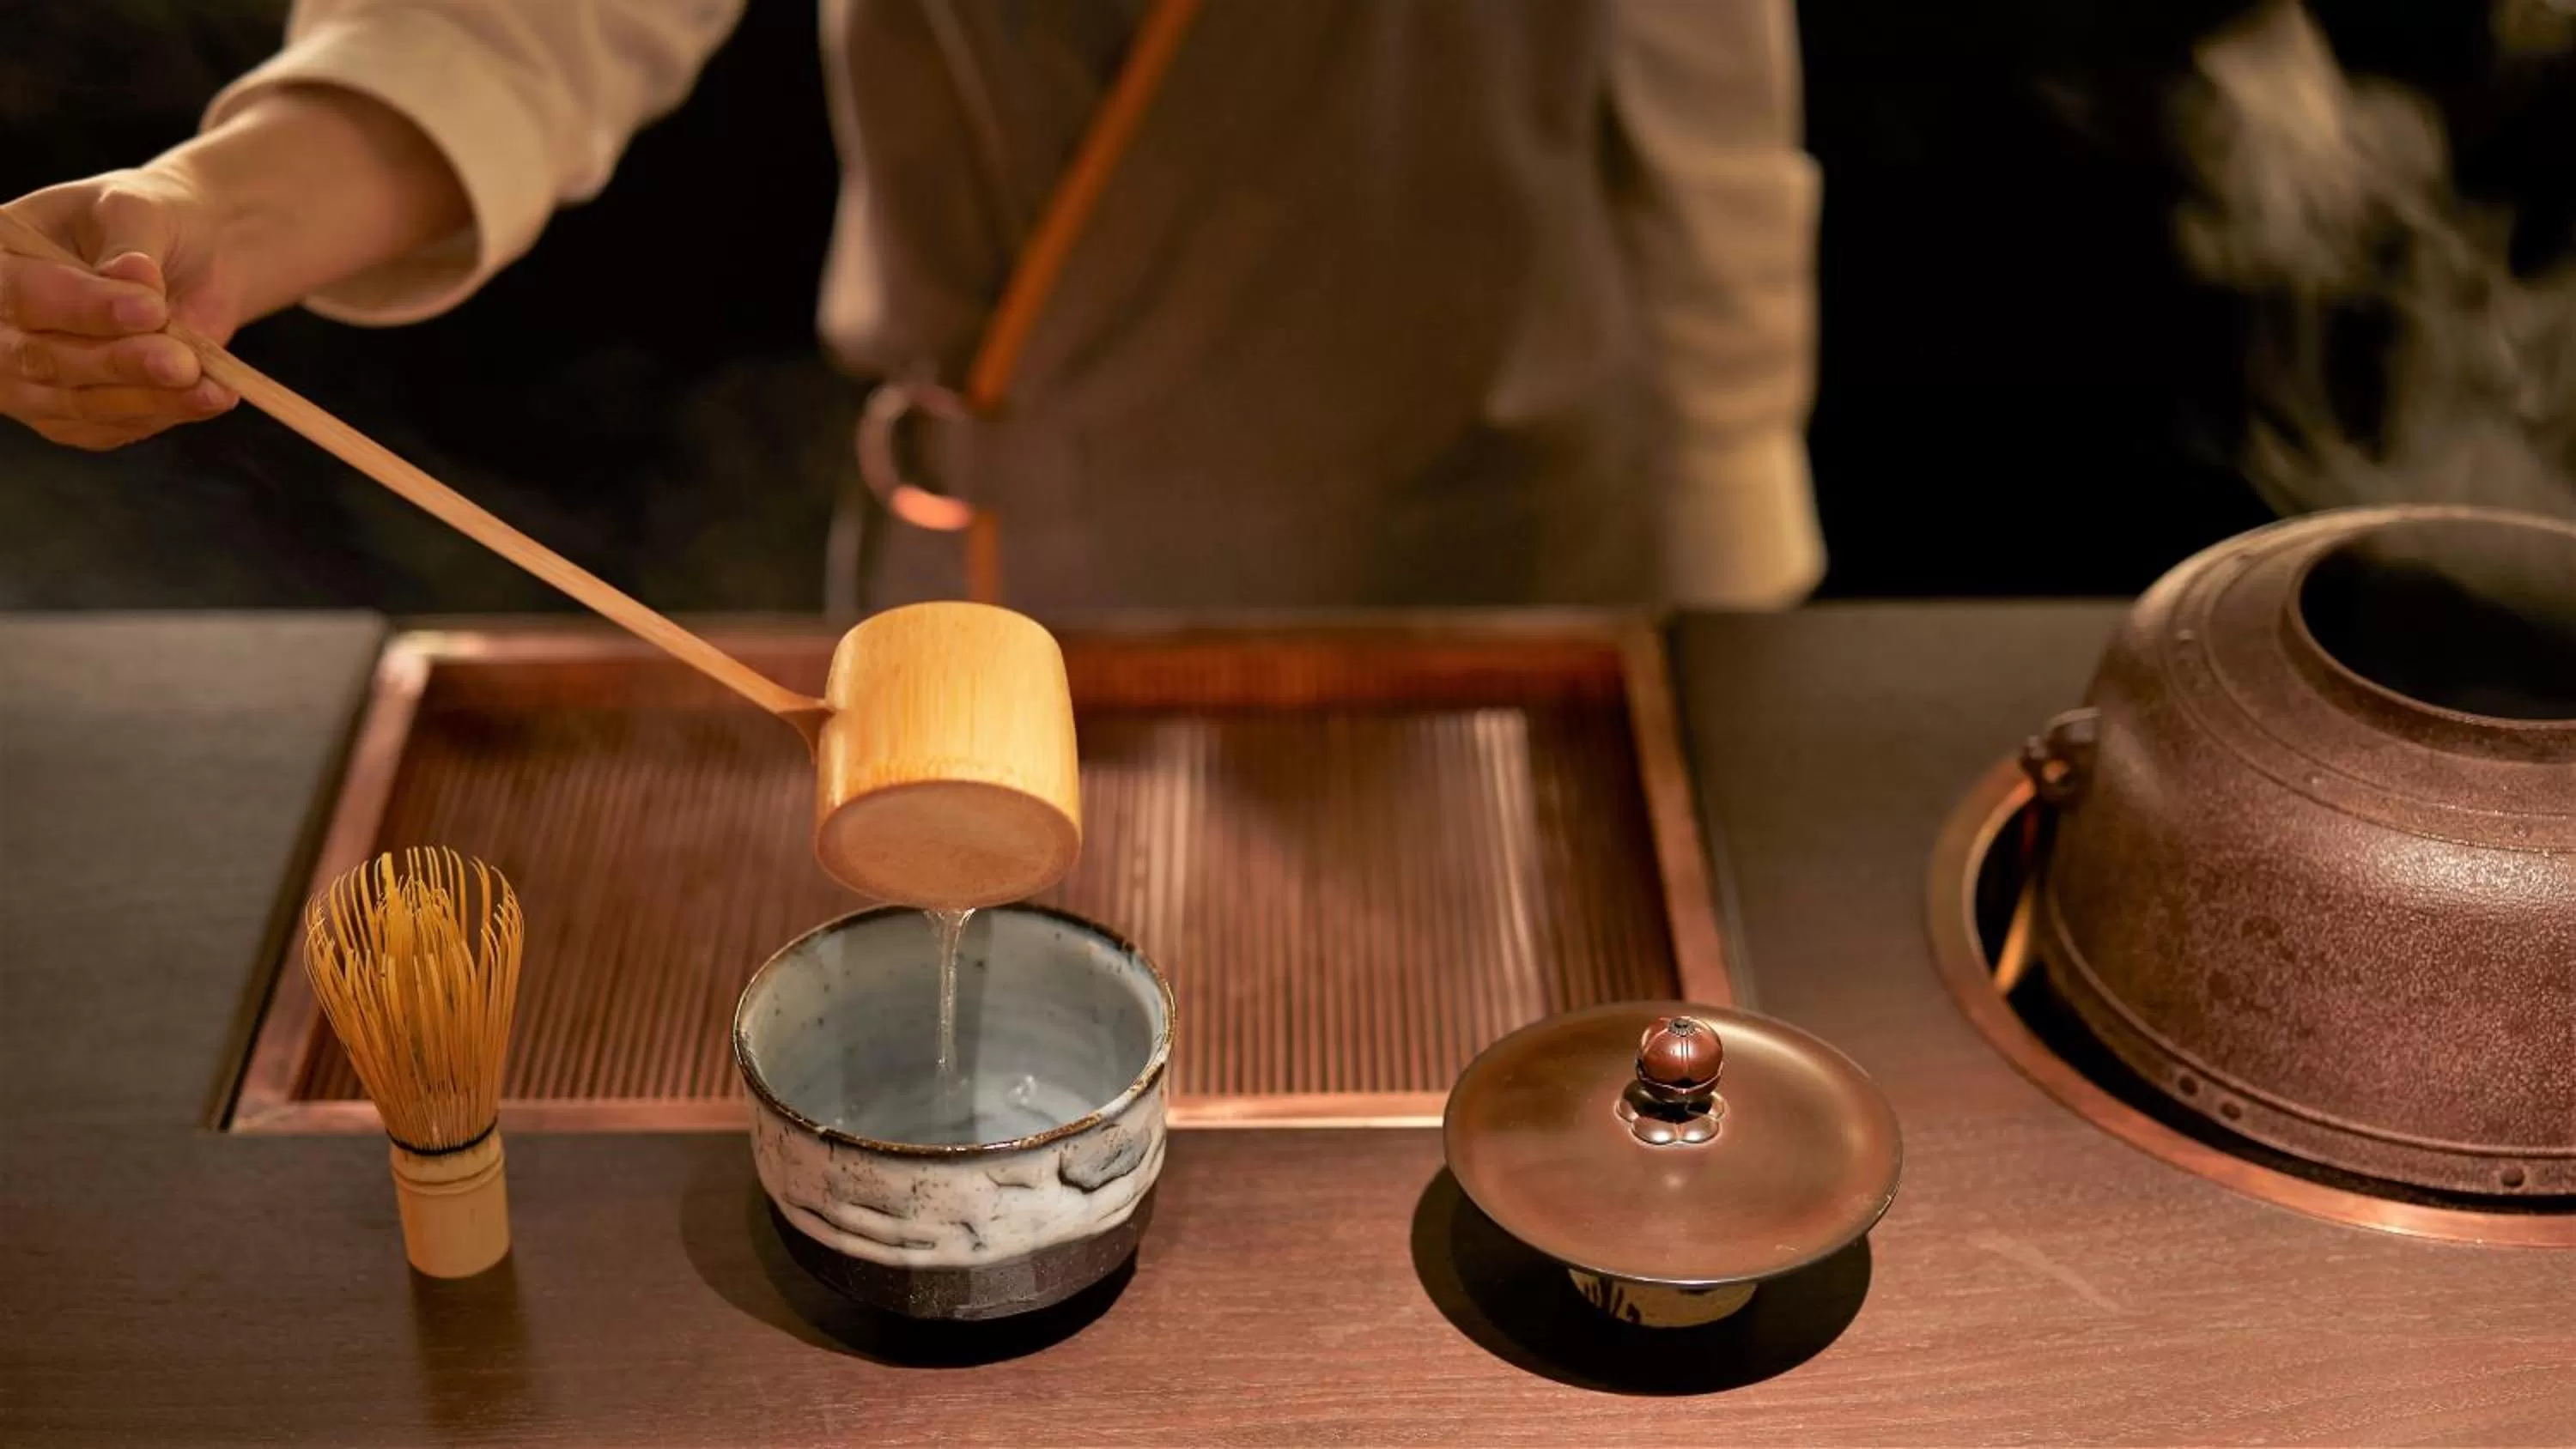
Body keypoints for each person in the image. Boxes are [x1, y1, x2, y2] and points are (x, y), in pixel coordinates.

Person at [0, 1, 1824, 612]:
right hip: (1029, 539)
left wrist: (1737, 514)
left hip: (1515, 537)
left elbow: (1693, 54)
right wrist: (217, 210)